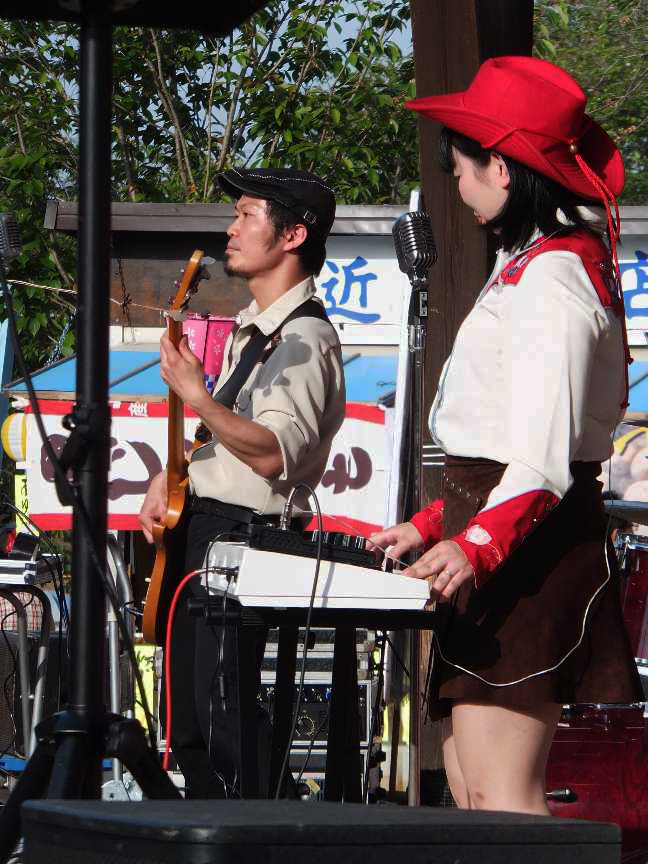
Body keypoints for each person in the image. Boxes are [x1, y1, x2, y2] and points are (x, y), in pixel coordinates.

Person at [370, 56, 642, 815]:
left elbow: (543, 458)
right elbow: (508, 440)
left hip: (527, 556)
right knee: (472, 787)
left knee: (500, 796)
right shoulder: (534, 265)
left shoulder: (552, 278)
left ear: (501, 167)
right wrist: (436, 523)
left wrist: (476, 545)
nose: (457, 186)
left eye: (462, 168)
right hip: (508, 544)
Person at [139, 167, 346, 797]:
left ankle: (264, 830)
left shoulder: (304, 335)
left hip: (242, 537)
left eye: (247, 215)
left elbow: (274, 453)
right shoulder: (256, 331)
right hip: (207, 529)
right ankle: (228, 828)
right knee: (192, 726)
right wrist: (172, 475)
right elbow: (229, 442)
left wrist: (198, 397)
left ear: (293, 235)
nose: (231, 228)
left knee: (223, 717)